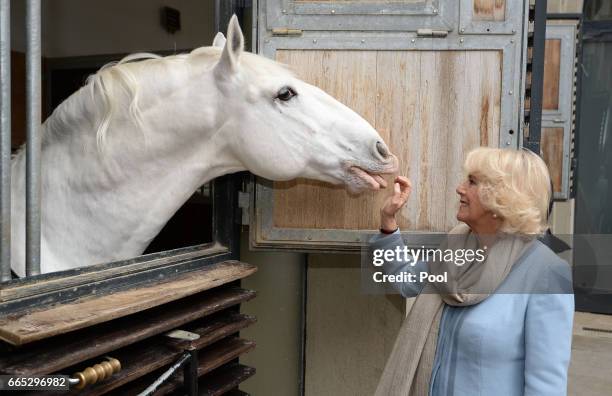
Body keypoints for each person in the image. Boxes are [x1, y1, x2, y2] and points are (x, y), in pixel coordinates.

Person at [371, 147, 574, 396]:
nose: (460, 188)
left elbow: (546, 385)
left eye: (473, 182)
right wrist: (388, 221)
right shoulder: (455, 248)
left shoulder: (547, 273)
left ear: (503, 197)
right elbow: (406, 282)